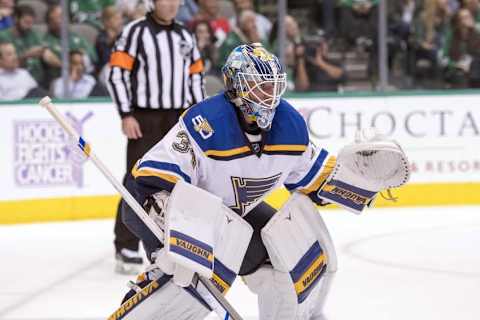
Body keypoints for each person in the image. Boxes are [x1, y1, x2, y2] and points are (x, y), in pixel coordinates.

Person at [110, 43, 337, 319]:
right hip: (158, 206)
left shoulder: (289, 123)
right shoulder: (207, 122)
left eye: (274, 86)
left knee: (288, 249)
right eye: (260, 86)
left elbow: (317, 178)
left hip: (229, 213)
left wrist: (358, 180)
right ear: (237, 86)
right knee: (187, 270)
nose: (270, 95)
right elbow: (150, 178)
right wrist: (175, 230)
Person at [107, 0, 206, 274]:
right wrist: (126, 114)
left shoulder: (186, 35)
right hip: (144, 118)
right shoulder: (135, 32)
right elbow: (116, 74)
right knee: (136, 180)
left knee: (179, 183)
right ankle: (125, 245)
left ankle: (171, 244)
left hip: (177, 119)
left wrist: (198, 117)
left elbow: (196, 77)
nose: (172, 4)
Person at [0, 4, 61, 86]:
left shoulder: (32, 34)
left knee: (50, 96)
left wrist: (62, 66)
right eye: (26, 22)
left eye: (31, 23)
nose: (29, 26)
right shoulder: (4, 36)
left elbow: (46, 53)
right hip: (15, 79)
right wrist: (27, 55)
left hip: (38, 79)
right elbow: (8, 63)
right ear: (16, 19)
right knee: (43, 96)